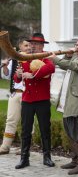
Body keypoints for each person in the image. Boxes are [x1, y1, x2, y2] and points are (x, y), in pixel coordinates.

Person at [49, 36, 78, 175]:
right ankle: (75, 159)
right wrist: (67, 55)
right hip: (69, 100)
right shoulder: (77, 57)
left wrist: (55, 58)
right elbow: (67, 63)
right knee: (69, 129)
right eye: (76, 45)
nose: (77, 48)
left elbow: (73, 66)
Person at [14, 33, 55, 169]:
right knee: (25, 130)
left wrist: (33, 75)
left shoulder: (46, 57)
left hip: (42, 99)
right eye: (32, 44)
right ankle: (24, 158)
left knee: (45, 129)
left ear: (42, 46)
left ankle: (47, 157)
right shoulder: (25, 58)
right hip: (27, 99)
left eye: (37, 44)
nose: (33, 46)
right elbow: (17, 78)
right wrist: (18, 75)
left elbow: (50, 68)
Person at [0, 38, 31, 154]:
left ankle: (24, 147)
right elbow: (6, 76)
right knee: (11, 120)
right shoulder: (13, 61)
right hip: (15, 93)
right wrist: (4, 66)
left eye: (29, 46)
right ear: (19, 48)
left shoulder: (32, 60)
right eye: (26, 45)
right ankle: (5, 146)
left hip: (28, 95)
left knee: (27, 122)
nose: (28, 48)